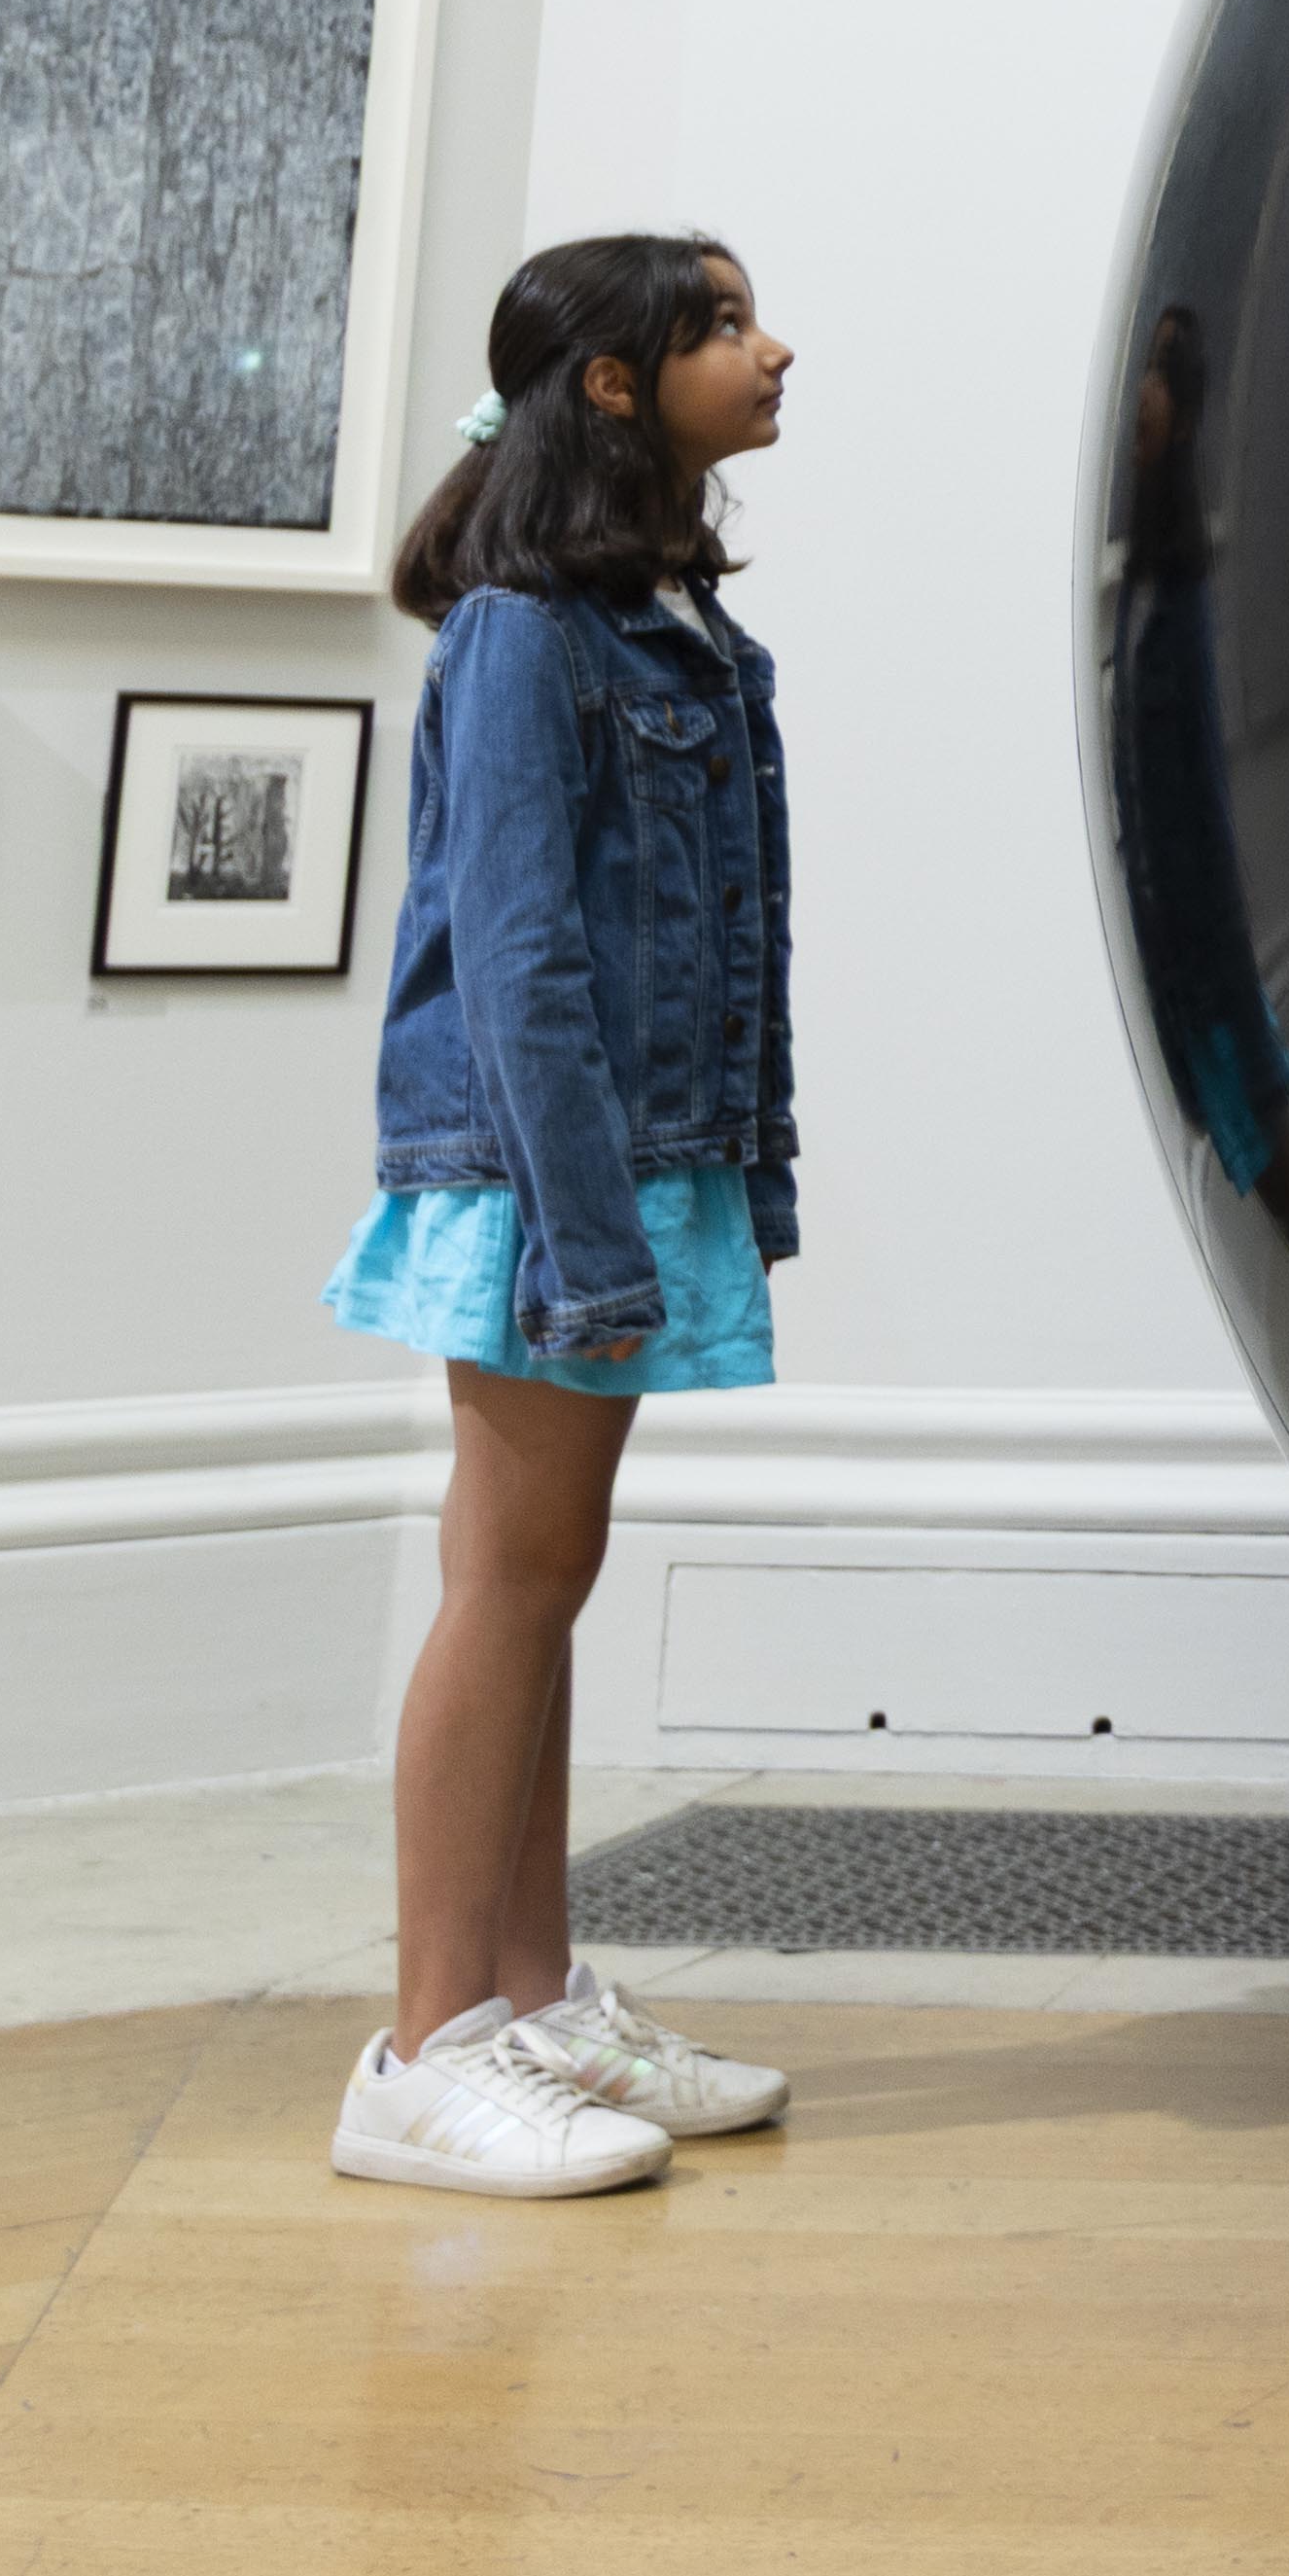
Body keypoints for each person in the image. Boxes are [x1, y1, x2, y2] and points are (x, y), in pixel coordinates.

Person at [321, 232, 815, 2201]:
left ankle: (532, 2001)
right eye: (718, 325)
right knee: (509, 1579)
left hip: (617, 1154)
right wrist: (585, 1220)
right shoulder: (527, 629)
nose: (771, 350)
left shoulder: (658, 620)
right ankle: (425, 2045)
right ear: (612, 386)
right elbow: (514, 949)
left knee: (544, 1578)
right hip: (542, 1167)